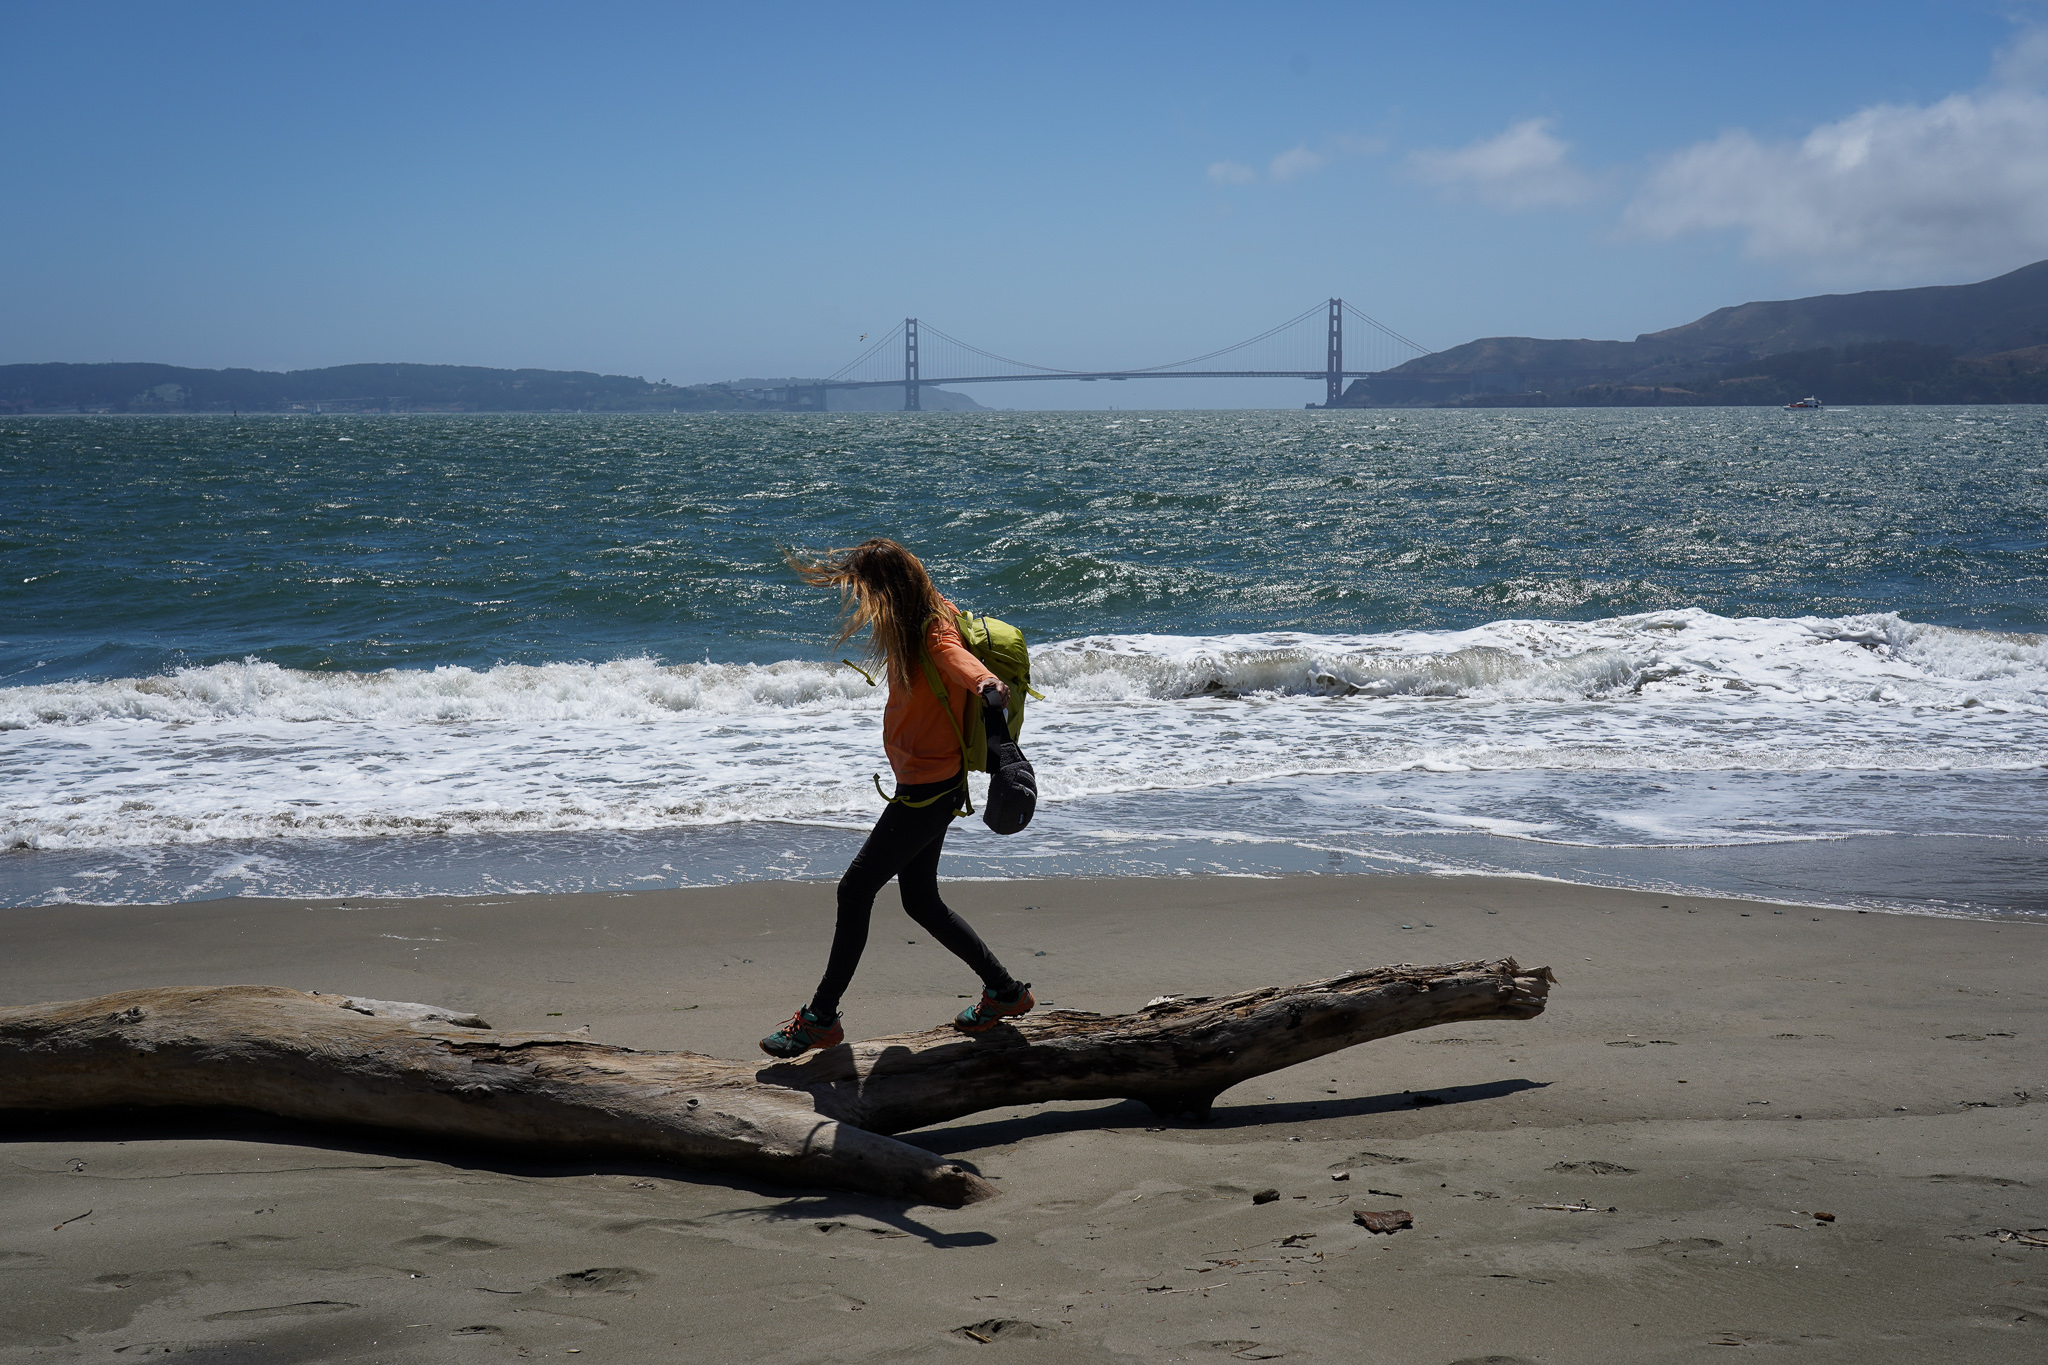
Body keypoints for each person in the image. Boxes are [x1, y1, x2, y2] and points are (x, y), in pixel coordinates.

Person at [760, 538, 1035, 1058]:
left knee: (854, 889)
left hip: (928, 790)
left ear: (887, 590)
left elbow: (970, 671)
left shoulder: (932, 629)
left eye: (865, 591)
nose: (862, 602)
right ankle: (1005, 992)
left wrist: (992, 706)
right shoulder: (928, 616)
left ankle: (821, 1018)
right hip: (930, 783)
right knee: (920, 899)